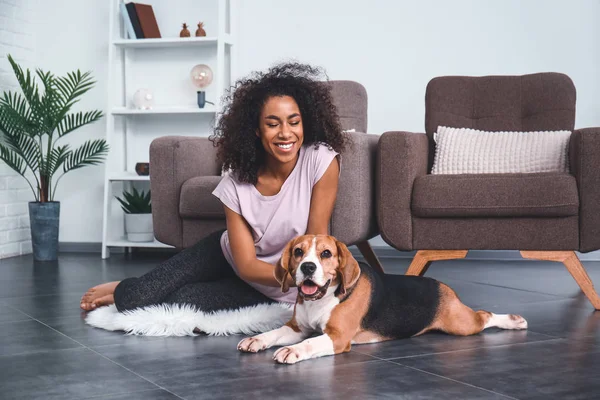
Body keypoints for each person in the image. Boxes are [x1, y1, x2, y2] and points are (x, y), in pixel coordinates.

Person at [80, 62, 348, 313]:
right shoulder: (235, 182)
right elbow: (246, 265)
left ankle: (153, 287)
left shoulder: (320, 161)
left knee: (181, 302)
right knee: (135, 299)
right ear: (256, 129)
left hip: (280, 284)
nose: (286, 133)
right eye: (272, 124)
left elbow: (316, 241)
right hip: (233, 258)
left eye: (294, 121)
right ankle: (125, 287)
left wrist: (301, 278)